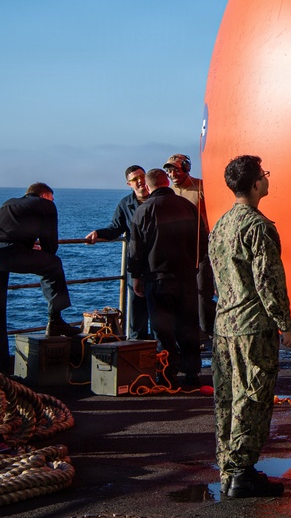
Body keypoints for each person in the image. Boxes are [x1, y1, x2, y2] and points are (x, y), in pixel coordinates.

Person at [208, 155, 291, 498]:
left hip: (224, 325)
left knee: (227, 398)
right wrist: (285, 324)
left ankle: (230, 466)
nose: (267, 178)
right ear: (256, 184)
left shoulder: (222, 224)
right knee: (253, 396)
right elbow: (269, 283)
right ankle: (242, 471)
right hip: (252, 326)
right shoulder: (258, 227)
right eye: (264, 174)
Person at [0, 182, 81, 373]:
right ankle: (55, 319)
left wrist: (26, 247)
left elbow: (8, 231)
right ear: (45, 195)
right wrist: (39, 252)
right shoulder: (46, 205)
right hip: (8, 254)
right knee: (53, 265)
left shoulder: (9, 203)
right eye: (52, 199)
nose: (53, 202)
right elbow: (50, 246)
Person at [128, 168, 204, 386]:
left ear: (149, 186)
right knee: (188, 325)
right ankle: (192, 373)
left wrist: (136, 276)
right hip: (186, 276)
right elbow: (202, 240)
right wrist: (195, 265)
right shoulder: (188, 206)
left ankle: (167, 373)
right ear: (167, 183)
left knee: (162, 329)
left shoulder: (144, 211)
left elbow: (136, 249)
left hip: (157, 278)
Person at [85, 165, 151, 339]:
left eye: (142, 177)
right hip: (137, 262)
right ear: (129, 184)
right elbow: (115, 228)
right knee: (137, 307)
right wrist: (98, 233)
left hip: (159, 261)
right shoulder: (126, 205)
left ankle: (165, 352)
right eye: (135, 179)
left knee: (161, 309)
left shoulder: (159, 199)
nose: (140, 181)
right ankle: (139, 347)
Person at [163, 153, 216, 341]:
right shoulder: (168, 192)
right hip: (178, 250)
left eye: (176, 169)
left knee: (203, 292)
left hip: (201, 248)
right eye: (169, 170)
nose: (172, 173)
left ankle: (206, 331)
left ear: (186, 168)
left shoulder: (201, 187)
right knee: (181, 292)